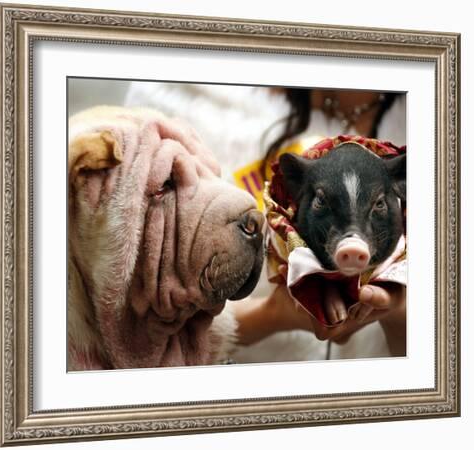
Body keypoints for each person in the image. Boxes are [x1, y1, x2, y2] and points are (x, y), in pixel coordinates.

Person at [124, 82, 406, 361]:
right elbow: (131, 315)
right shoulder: (184, 98)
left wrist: (400, 309)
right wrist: (273, 314)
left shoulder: (433, 117)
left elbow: (441, 368)